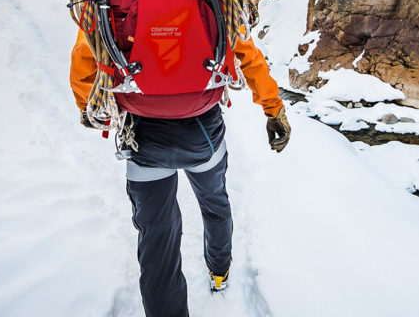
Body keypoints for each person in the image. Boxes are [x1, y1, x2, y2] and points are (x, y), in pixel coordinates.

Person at [69, 26, 291, 316]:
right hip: (203, 132)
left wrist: (87, 105)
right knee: (214, 203)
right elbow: (247, 53)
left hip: (143, 135)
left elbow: (84, 60)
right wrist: (273, 109)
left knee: (157, 239)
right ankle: (219, 272)